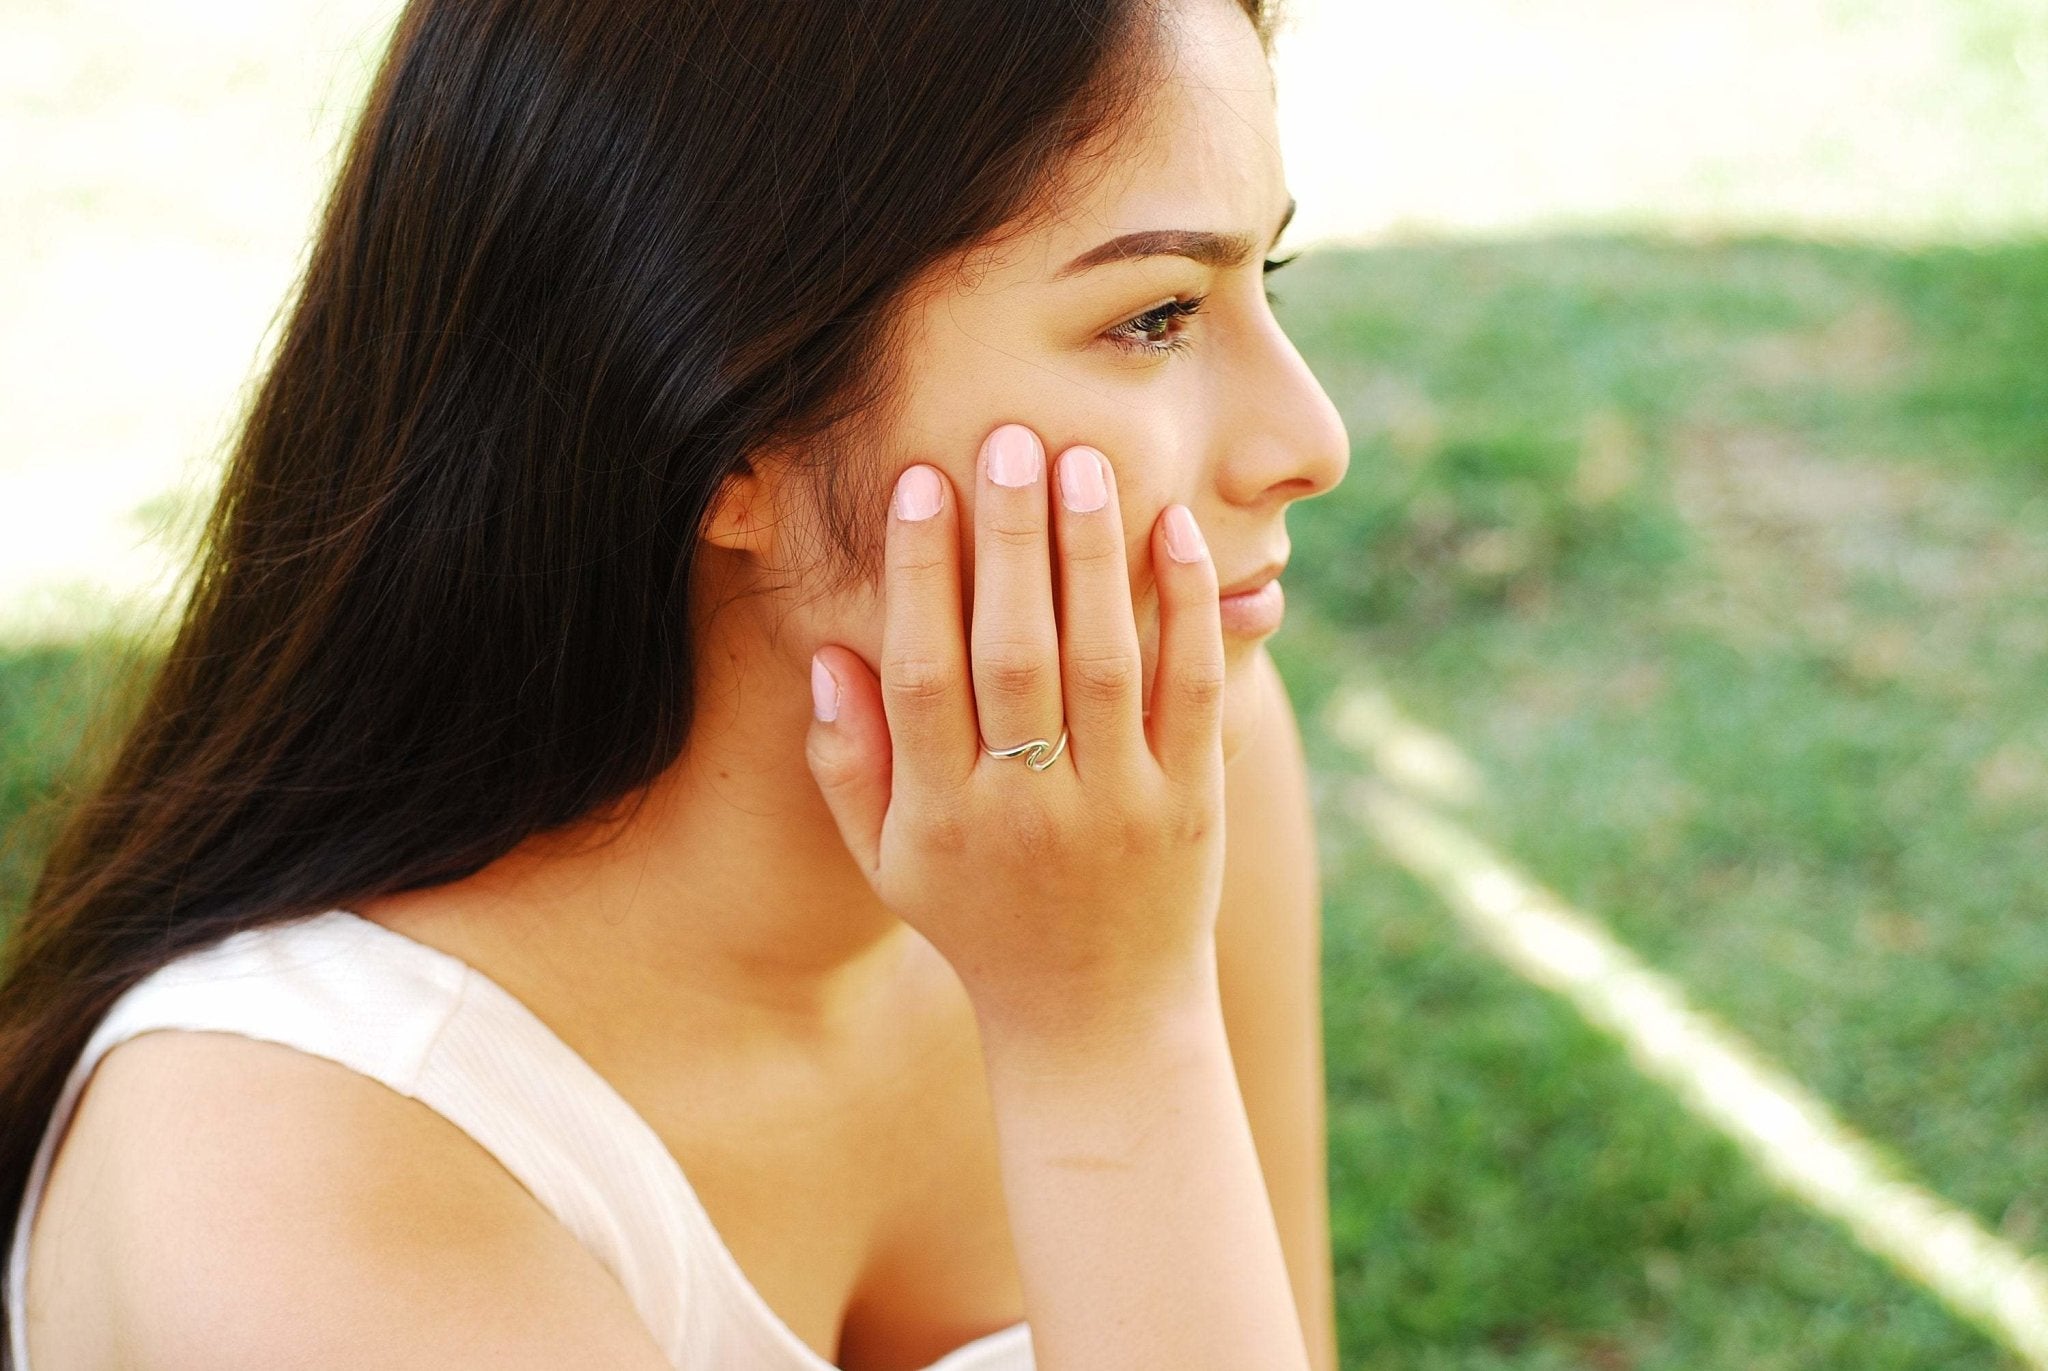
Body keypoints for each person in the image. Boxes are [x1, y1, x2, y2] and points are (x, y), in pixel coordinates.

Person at [0, 0, 1349, 1365]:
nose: (1310, 438)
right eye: (1156, 315)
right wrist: (1102, 1035)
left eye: (1269, 277)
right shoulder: (282, 1174)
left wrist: (1117, 1002)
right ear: (721, 412)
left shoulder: (1147, 791)